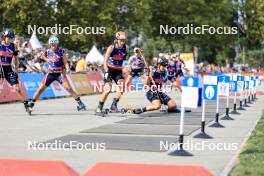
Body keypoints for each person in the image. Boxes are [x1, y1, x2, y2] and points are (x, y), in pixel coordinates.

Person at [28, 35, 86, 111]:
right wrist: (47, 60)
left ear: (57, 44)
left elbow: (65, 62)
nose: (53, 46)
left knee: (68, 88)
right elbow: (42, 56)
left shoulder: (61, 52)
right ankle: (31, 104)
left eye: (54, 44)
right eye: (51, 45)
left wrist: (68, 68)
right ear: (50, 44)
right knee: (40, 89)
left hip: (60, 74)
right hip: (50, 74)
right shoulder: (47, 52)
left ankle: (80, 103)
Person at [95, 31, 129, 114]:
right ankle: (99, 107)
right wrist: (106, 71)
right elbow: (105, 61)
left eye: (124, 40)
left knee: (122, 86)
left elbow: (124, 59)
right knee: (108, 88)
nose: (122, 42)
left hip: (118, 71)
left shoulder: (126, 48)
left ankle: (114, 105)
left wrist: (126, 67)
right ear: (117, 39)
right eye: (121, 40)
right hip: (109, 70)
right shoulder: (111, 48)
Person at [0, 28, 30, 111]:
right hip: (1, 67)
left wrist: (16, 69)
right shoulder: (0, 46)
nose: (10, 39)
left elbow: (16, 58)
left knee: (17, 88)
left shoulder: (13, 46)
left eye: (11, 38)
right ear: (4, 37)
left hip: (9, 68)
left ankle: (26, 104)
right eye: (8, 37)